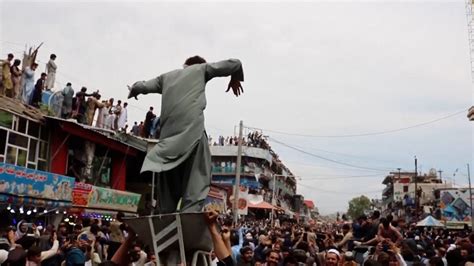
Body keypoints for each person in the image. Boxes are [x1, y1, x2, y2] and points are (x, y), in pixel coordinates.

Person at [128, 56, 244, 214]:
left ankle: (164, 218)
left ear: (185, 66)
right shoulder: (201, 70)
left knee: (167, 191)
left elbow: (142, 86)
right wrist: (235, 77)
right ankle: (188, 218)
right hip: (193, 138)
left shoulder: (165, 78)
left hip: (167, 145)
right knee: (197, 183)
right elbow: (235, 63)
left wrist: (134, 89)